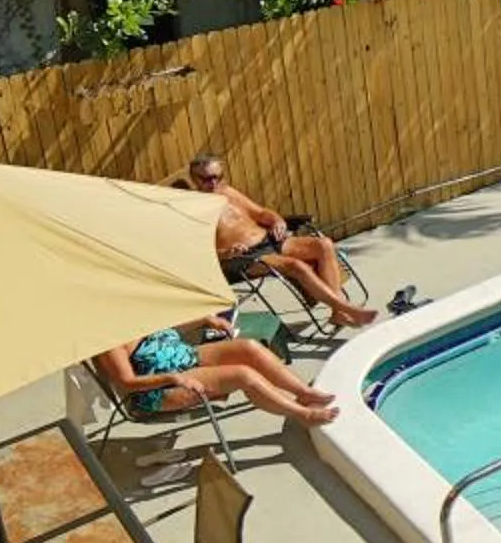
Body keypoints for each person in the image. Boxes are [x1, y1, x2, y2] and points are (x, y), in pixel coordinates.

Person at [186, 151, 376, 328]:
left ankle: (338, 313)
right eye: (207, 179)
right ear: (194, 179)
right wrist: (226, 253)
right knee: (296, 266)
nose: (214, 183)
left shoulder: (228, 192)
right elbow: (198, 252)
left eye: (218, 177)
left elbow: (261, 213)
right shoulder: (193, 208)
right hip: (244, 257)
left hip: (270, 240)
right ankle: (344, 307)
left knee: (324, 244)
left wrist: (277, 220)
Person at [95, 314, 339, 427]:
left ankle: (303, 392)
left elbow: (169, 331)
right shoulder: (108, 341)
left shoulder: (134, 315)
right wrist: (173, 378)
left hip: (188, 357)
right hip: (161, 387)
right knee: (243, 375)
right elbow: (126, 382)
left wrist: (205, 320)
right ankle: (302, 415)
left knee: (248, 348)